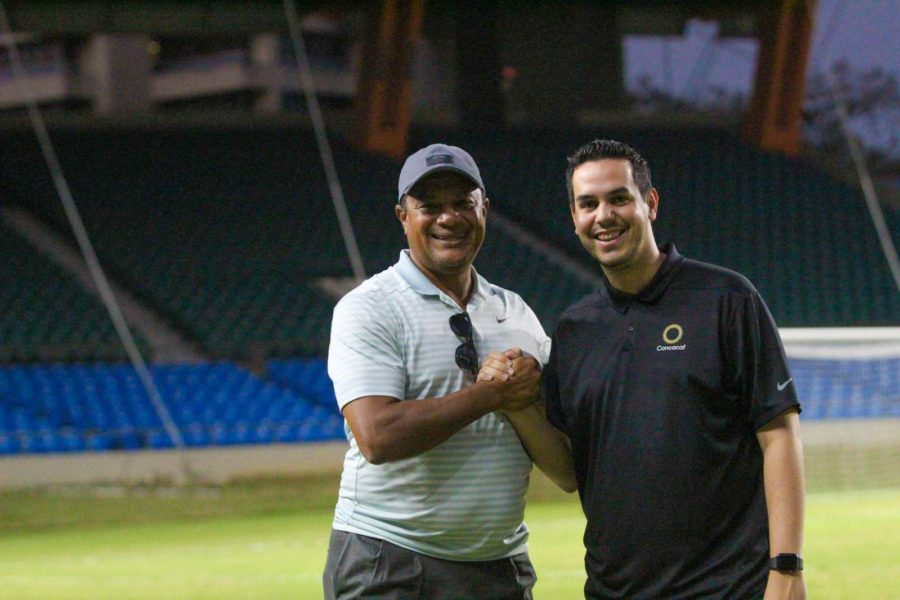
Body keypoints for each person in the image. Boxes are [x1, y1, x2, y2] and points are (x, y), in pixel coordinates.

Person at [543, 139, 806, 599]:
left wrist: (786, 569)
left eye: (618, 198)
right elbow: (569, 470)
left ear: (650, 203)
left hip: (727, 588)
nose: (603, 215)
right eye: (588, 204)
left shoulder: (727, 300)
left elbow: (779, 436)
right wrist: (511, 403)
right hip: (612, 590)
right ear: (574, 217)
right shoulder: (573, 329)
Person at [323, 143, 576, 599]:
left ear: (485, 210)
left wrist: (520, 404)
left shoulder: (515, 312)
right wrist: (489, 395)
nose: (449, 217)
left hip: (499, 565)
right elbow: (377, 437)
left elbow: (566, 471)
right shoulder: (369, 307)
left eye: (463, 203)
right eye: (429, 206)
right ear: (403, 216)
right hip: (389, 562)